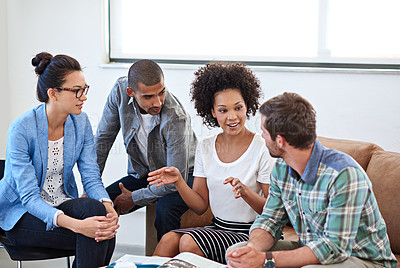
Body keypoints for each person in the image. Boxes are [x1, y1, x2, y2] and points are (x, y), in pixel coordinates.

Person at [226, 92, 398, 268]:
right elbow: (270, 220)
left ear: (280, 141)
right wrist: (252, 251)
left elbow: (334, 247)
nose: (261, 136)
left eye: (264, 131)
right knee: (236, 252)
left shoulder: (343, 175)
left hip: (364, 259)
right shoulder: (281, 169)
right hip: (311, 247)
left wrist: (265, 260)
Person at [147, 62, 275, 264]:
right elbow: (200, 206)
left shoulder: (262, 148)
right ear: (213, 112)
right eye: (223, 110)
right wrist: (179, 181)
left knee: (188, 242)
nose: (232, 117)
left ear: (247, 106)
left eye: (238, 108)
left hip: (250, 234)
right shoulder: (205, 146)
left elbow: (272, 212)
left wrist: (246, 192)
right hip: (218, 229)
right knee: (168, 239)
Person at [0, 52, 119, 268]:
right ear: (53, 93)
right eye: (76, 91)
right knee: (99, 235)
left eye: (85, 89)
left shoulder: (80, 122)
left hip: (60, 201)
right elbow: (29, 198)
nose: (84, 97)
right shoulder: (21, 129)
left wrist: (108, 206)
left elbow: (91, 177)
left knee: (99, 218)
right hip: (21, 214)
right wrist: (78, 226)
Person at [95, 59, 197, 240]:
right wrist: (91, 187)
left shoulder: (176, 118)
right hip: (145, 173)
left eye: (161, 92)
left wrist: (134, 197)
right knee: (96, 207)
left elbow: (174, 179)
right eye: (148, 97)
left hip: (184, 176)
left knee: (165, 211)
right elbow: (103, 140)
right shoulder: (120, 92)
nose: (157, 102)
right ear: (131, 92)